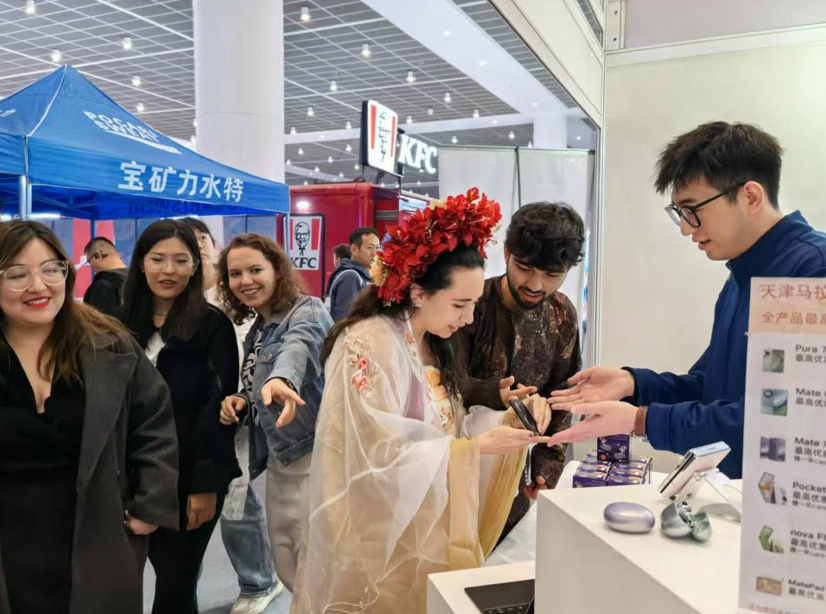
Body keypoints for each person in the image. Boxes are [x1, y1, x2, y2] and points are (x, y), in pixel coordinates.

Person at [290, 189, 553, 614]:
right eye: (460, 305)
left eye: (473, 305)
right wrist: (471, 451)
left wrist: (506, 421)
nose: (467, 319)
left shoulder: (434, 342)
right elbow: (367, 455)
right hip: (380, 534)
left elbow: (450, 427)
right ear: (416, 293)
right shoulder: (368, 342)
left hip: (429, 517)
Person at [550, 121, 826, 479]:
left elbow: (782, 417)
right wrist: (633, 383)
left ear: (750, 196)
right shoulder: (740, 279)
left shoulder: (812, 272)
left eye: (693, 209)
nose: (685, 227)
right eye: (679, 212)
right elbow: (708, 387)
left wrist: (640, 421)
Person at [0, 221, 178, 614]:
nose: (38, 285)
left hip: (96, 531)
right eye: (16, 274)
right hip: (10, 542)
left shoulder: (106, 344)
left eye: (51, 269)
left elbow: (153, 422)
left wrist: (150, 505)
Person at [120, 220, 240, 614]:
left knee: (174, 584)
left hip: (190, 478)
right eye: (157, 259)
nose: (167, 270)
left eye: (180, 260)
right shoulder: (117, 326)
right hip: (130, 478)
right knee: (128, 578)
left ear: (195, 267)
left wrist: (205, 483)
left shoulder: (211, 325)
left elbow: (218, 408)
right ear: (141, 263)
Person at [460, 201, 585, 536]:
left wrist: (548, 465)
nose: (536, 284)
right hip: (462, 468)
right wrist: (490, 392)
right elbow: (442, 383)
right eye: (525, 268)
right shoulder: (472, 305)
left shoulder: (562, 315)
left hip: (520, 476)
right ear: (506, 253)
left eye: (551, 275)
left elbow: (563, 393)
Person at [178, 217, 283, 614]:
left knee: (238, 505)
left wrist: (244, 395)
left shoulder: (237, 300)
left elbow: (258, 359)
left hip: (239, 418)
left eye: (200, 241)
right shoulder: (181, 301)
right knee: (191, 516)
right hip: (200, 419)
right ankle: (185, 589)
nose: (245, 278)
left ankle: (259, 582)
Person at [218, 233, 331, 592]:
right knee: (288, 557)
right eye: (235, 274)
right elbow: (259, 382)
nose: (245, 281)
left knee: (314, 559)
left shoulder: (307, 310)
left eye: (255, 270)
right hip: (281, 455)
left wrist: (284, 379)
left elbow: (299, 349)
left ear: (278, 270)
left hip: (313, 454)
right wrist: (242, 399)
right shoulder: (259, 327)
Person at [327, 227, 380, 321]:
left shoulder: (364, 275)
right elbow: (346, 320)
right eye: (370, 247)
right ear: (354, 249)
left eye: (378, 247)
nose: (375, 253)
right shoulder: (350, 276)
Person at [82, 236, 128, 317]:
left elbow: (98, 326)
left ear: (98, 256)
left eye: (89, 261)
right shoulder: (139, 280)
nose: (91, 266)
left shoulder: (101, 287)